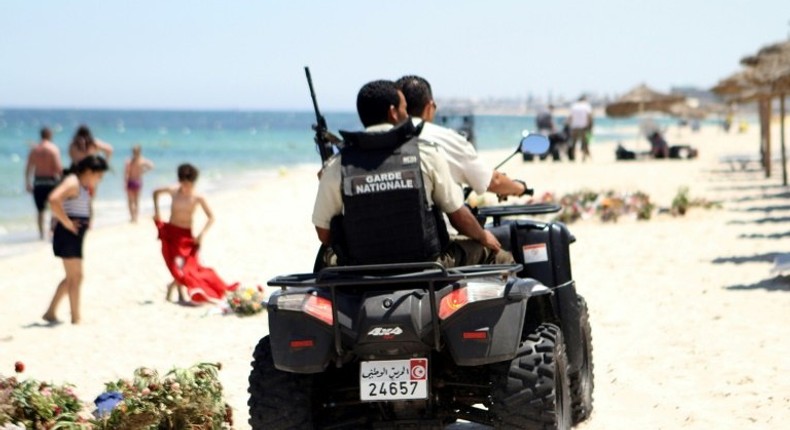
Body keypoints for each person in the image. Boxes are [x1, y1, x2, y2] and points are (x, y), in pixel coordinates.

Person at [312, 80, 502, 268]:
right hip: (427, 268)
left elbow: (324, 233)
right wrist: (484, 236)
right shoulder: (426, 153)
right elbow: (458, 216)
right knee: (501, 257)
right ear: (393, 112)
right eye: (404, 109)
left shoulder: (338, 165)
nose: (408, 115)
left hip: (360, 271)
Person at [395, 75, 528, 200]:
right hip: (436, 223)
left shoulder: (381, 139)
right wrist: (519, 188)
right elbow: (493, 181)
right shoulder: (445, 139)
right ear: (430, 107)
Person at [153, 163, 237, 304]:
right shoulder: (173, 191)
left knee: (188, 268)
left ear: (193, 182)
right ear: (180, 181)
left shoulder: (198, 198)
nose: (186, 187)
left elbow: (211, 217)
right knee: (176, 266)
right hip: (171, 233)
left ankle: (172, 287)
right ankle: (179, 292)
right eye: (183, 183)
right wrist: (157, 212)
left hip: (187, 237)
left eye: (189, 184)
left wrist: (201, 234)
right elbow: (155, 193)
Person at [42, 155, 109, 324]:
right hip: (68, 234)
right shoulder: (73, 181)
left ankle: (50, 312)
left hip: (74, 235)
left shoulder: (82, 185)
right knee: (76, 277)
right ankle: (75, 317)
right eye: (98, 176)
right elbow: (53, 199)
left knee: (73, 277)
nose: (99, 180)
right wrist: (67, 223)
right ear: (88, 171)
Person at [24, 127, 63, 239]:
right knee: (54, 208)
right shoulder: (53, 149)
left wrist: (27, 182)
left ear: (41, 135)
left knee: (40, 210)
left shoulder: (35, 150)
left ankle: (41, 235)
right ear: (50, 135)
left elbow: (28, 168)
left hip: (38, 182)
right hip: (51, 182)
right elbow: (58, 168)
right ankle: (51, 231)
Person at [124, 144, 154, 222]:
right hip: (134, 181)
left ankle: (134, 217)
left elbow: (151, 166)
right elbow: (126, 173)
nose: (135, 152)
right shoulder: (137, 160)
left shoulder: (134, 160)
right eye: (134, 151)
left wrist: (143, 172)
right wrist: (142, 171)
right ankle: (133, 217)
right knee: (132, 201)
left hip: (134, 181)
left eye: (135, 151)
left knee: (134, 201)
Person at [567, 95, 593, 161]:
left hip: (574, 127)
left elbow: (570, 117)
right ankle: (583, 157)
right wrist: (590, 127)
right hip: (584, 127)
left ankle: (573, 157)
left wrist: (568, 126)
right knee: (584, 143)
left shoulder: (574, 106)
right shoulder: (586, 106)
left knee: (574, 143)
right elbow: (589, 117)